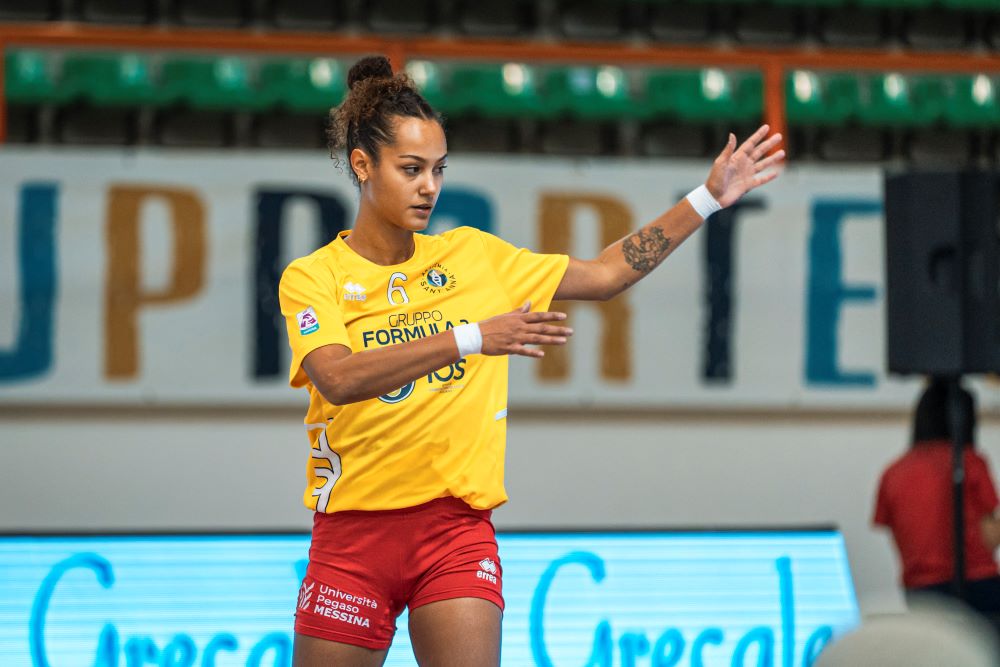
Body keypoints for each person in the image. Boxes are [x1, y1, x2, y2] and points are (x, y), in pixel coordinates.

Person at [279, 54, 784, 667]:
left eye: (438, 169)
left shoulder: (473, 257)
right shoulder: (314, 277)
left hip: (454, 533)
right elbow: (336, 377)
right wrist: (471, 338)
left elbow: (606, 274)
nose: (429, 187)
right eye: (411, 170)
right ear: (363, 165)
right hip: (352, 540)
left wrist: (707, 198)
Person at [873, 379, 1000, 626]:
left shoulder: (893, 472)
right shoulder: (969, 462)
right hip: (978, 590)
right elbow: (988, 538)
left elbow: (900, 538)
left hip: (920, 594)